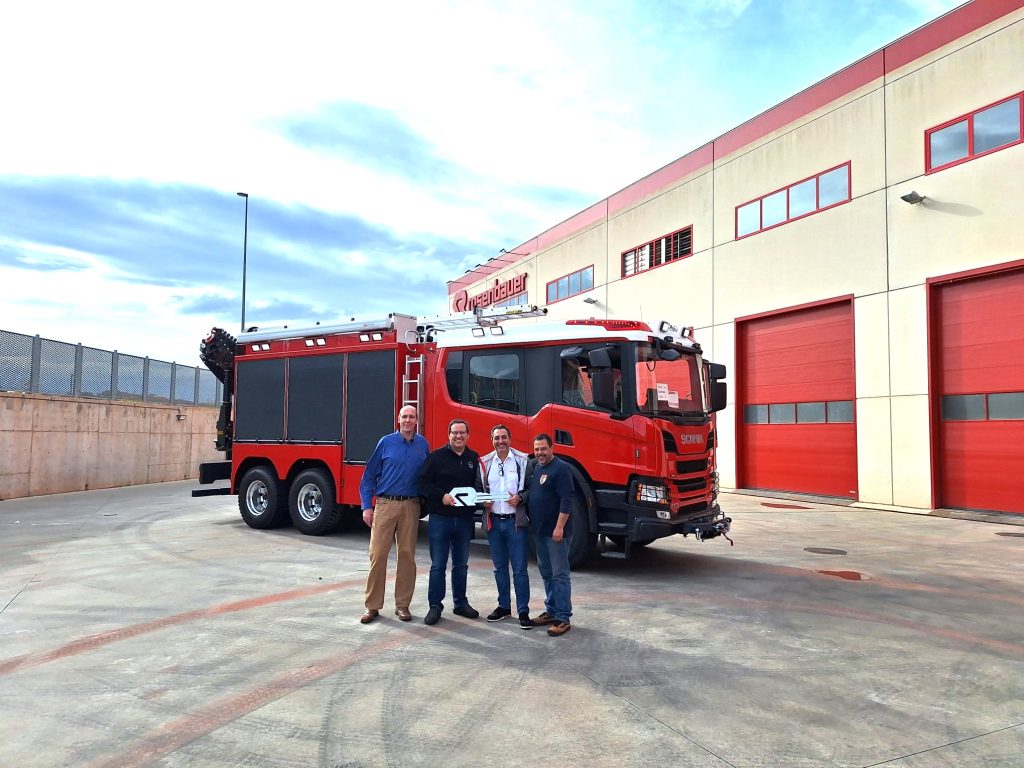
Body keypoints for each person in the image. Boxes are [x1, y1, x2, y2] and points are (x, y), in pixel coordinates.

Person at [358, 405, 429, 624]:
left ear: (417, 420)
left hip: (411, 506)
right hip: (386, 504)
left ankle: (403, 606)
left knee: (407, 557)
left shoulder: (423, 445)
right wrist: (366, 506)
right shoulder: (385, 443)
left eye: (411, 417)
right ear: (398, 420)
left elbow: (428, 476)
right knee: (378, 555)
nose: (408, 420)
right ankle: (372, 607)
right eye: (404, 417)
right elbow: (369, 476)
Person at [418, 418, 483, 625]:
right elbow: (422, 483)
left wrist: (480, 502)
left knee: (461, 564)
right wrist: (442, 496)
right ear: (449, 435)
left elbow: (478, 487)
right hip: (440, 519)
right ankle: (435, 606)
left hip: (464, 521)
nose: (458, 436)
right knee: (438, 565)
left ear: (467, 435)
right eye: (455, 433)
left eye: (462, 433)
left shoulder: (473, 458)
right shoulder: (436, 457)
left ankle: (460, 603)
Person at [479, 424, 533, 629]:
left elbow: (531, 489)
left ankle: (523, 611)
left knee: (520, 569)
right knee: (499, 568)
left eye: (503, 437)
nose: (500, 441)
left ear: (510, 439)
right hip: (494, 522)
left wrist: (521, 498)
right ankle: (503, 606)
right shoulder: (484, 463)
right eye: (496, 438)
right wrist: (482, 501)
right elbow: (478, 489)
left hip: (515, 524)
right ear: (491, 440)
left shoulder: (522, 460)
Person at [522, 433, 574, 637]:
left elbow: (566, 500)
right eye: (536, 449)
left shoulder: (561, 469)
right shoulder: (535, 467)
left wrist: (559, 527)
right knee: (546, 573)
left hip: (556, 534)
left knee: (560, 575)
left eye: (543, 449)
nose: (540, 453)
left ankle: (563, 617)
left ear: (552, 448)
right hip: (540, 532)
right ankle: (551, 611)